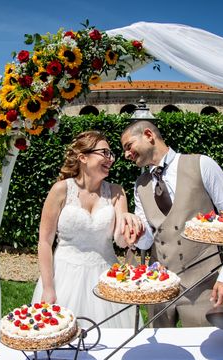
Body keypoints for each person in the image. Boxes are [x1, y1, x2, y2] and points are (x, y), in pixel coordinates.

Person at [120, 120, 223, 327]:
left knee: (207, 348)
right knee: (162, 355)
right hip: (158, 285)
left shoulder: (202, 164)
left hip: (203, 284)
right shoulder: (139, 185)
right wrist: (136, 234)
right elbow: (148, 239)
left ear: (148, 135)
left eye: (128, 145)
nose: (126, 154)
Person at [32, 130, 143, 328]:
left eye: (111, 154)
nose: (110, 159)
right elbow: (45, 242)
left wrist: (131, 226)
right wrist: (49, 288)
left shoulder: (117, 192)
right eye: (105, 153)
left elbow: (120, 239)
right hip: (65, 275)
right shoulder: (61, 190)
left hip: (106, 275)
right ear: (83, 157)